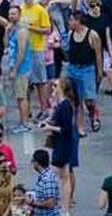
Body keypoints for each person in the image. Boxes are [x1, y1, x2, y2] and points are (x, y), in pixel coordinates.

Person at [40, 78, 78, 211]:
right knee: (65, 175)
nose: (53, 88)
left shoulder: (65, 106)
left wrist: (49, 128)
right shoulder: (61, 104)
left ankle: (48, 200)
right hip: (63, 143)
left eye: (56, 86)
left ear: (62, 88)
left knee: (50, 175)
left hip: (62, 144)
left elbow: (66, 128)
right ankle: (65, 208)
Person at [64, 11, 102, 133]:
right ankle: (80, 128)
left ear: (78, 21)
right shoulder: (71, 34)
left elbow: (98, 55)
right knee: (77, 101)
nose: (69, 22)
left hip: (87, 70)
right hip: (73, 69)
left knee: (89, 100)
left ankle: (93, 113)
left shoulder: (92, 35)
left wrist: (99, 71)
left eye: (71, 20)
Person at [29, 149, 61, 216]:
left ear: (36, 163)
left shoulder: (48, 179)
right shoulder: (43, 176)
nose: (32, 164)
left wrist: (33, 203)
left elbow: (50, 203)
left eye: (32, 161)